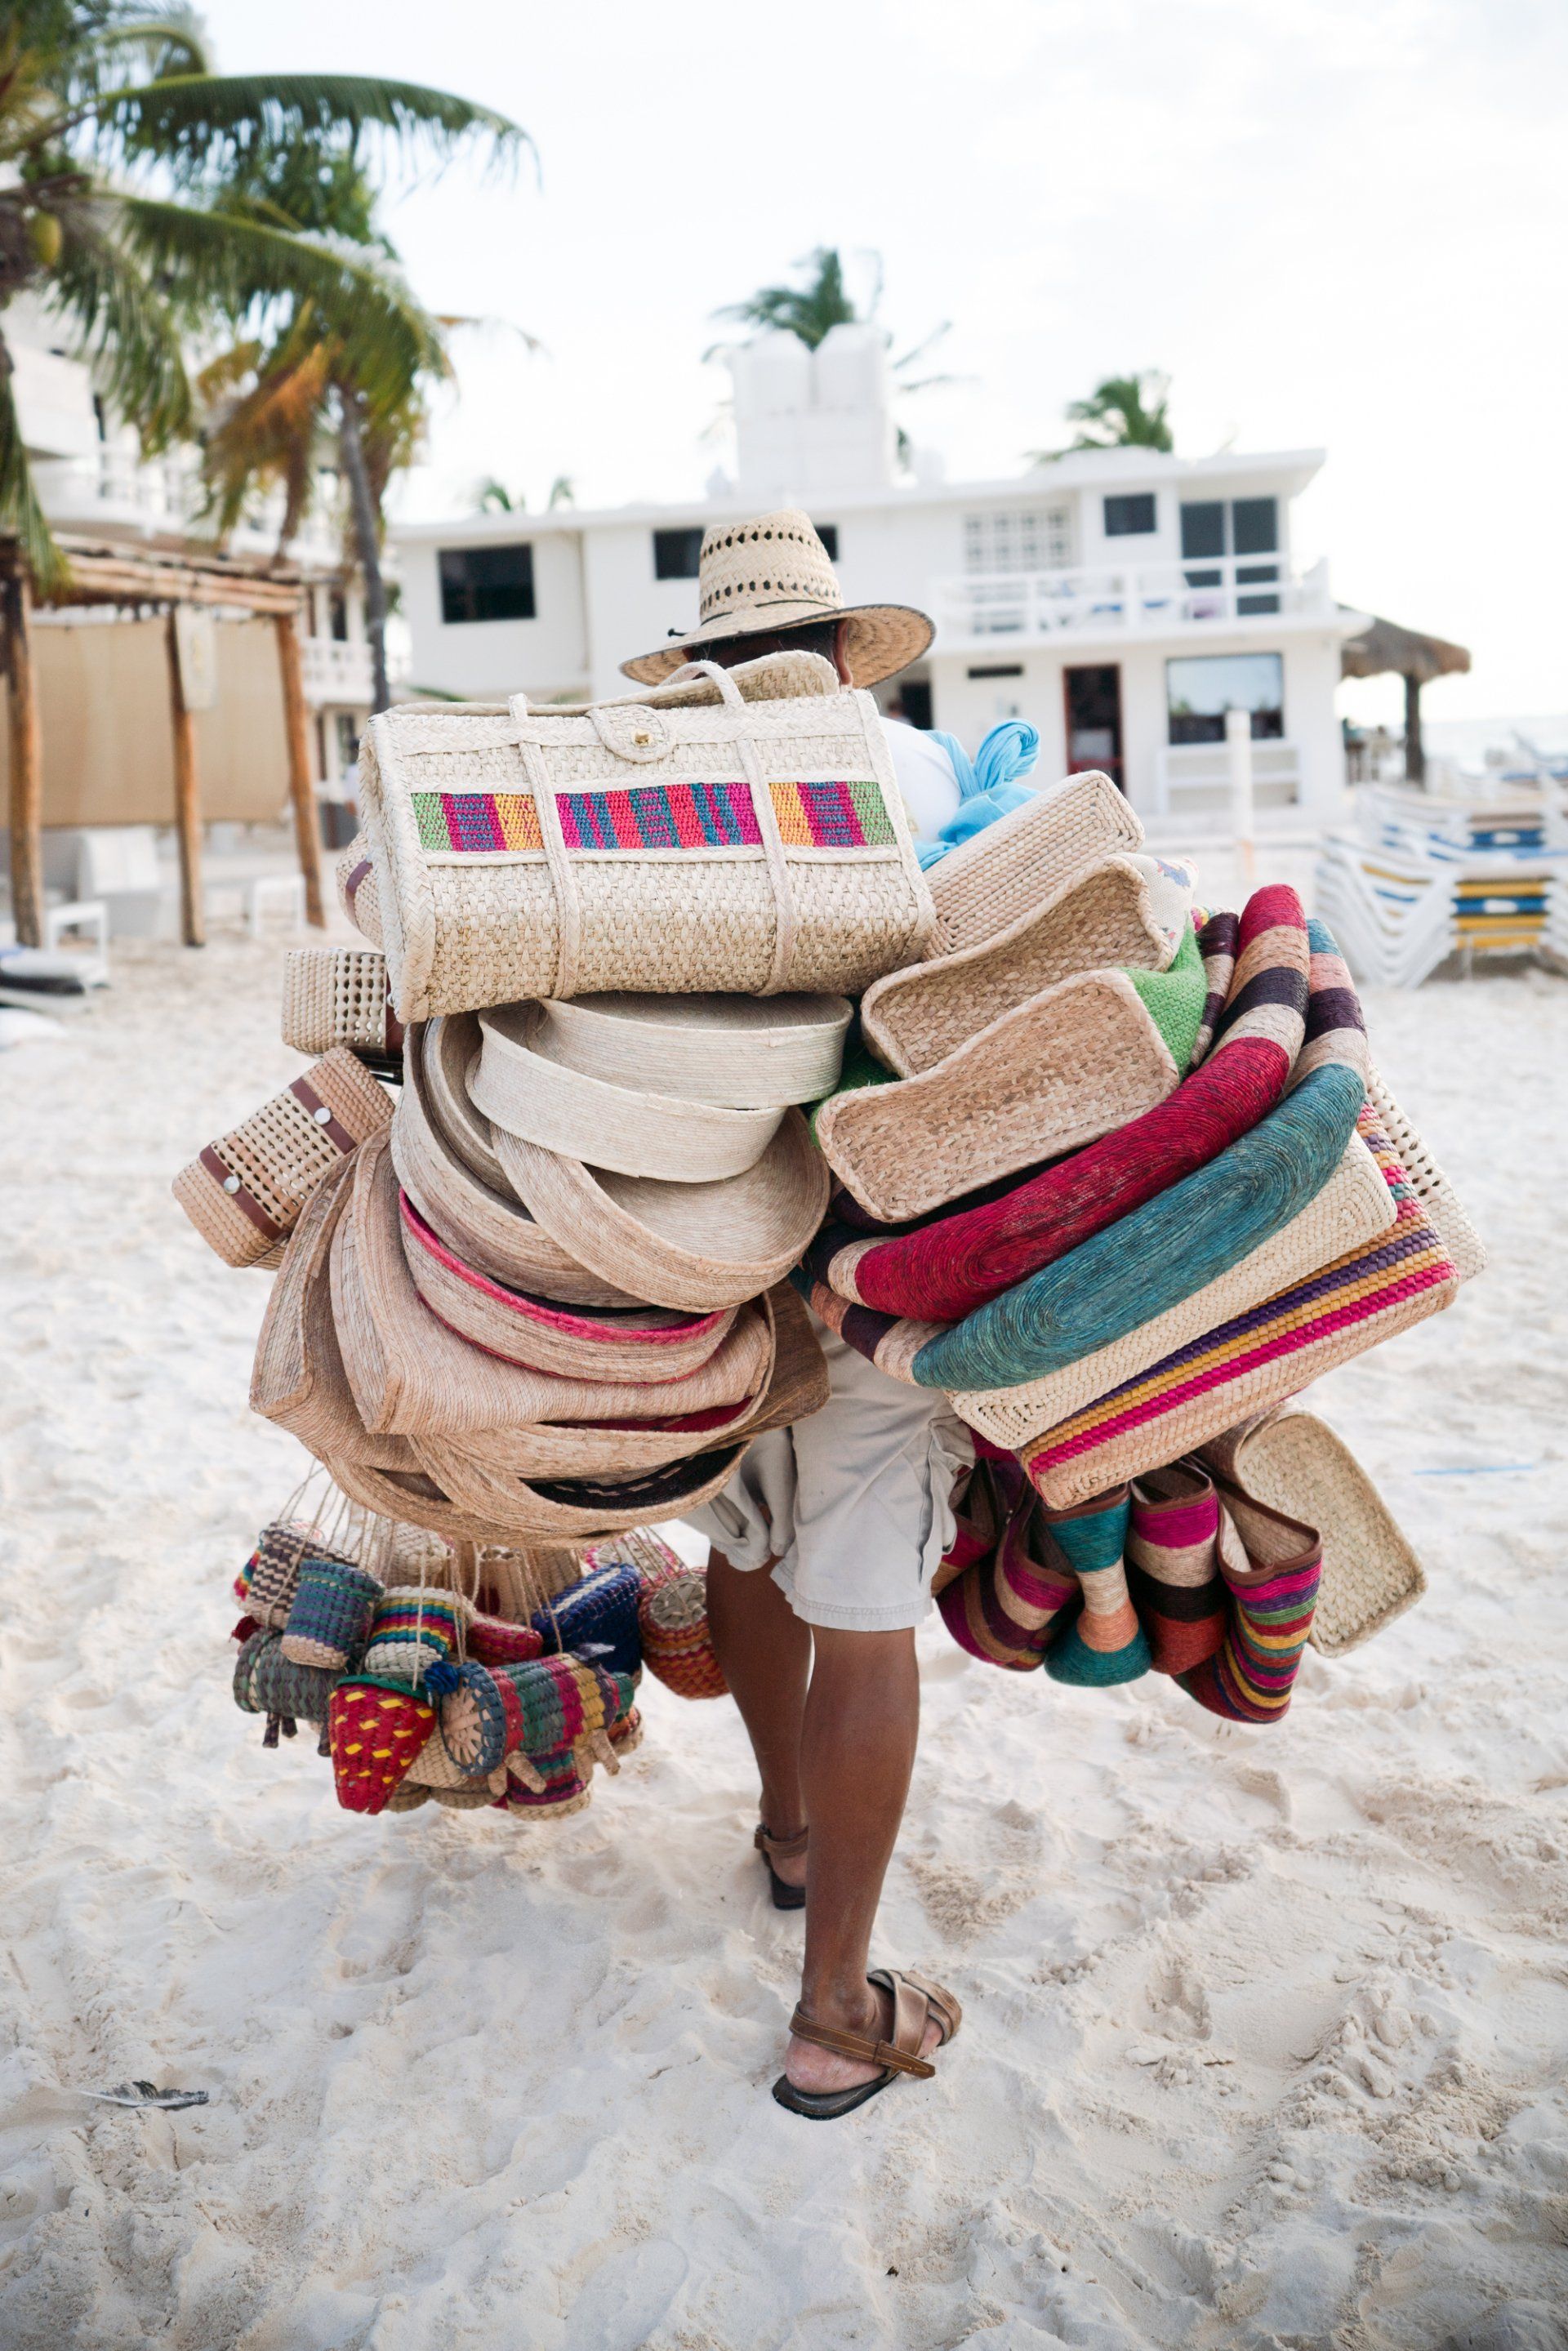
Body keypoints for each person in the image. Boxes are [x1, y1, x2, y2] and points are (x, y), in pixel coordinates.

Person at [621, 510, 1027, 2118]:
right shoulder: (909, 771)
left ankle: (788, 1831)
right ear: (848, 653)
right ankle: (835, 2009)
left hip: (697, 1235)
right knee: (862, 1600)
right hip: (874, 1233)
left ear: (701, 662)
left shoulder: (641, 791)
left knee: (745, 1535)